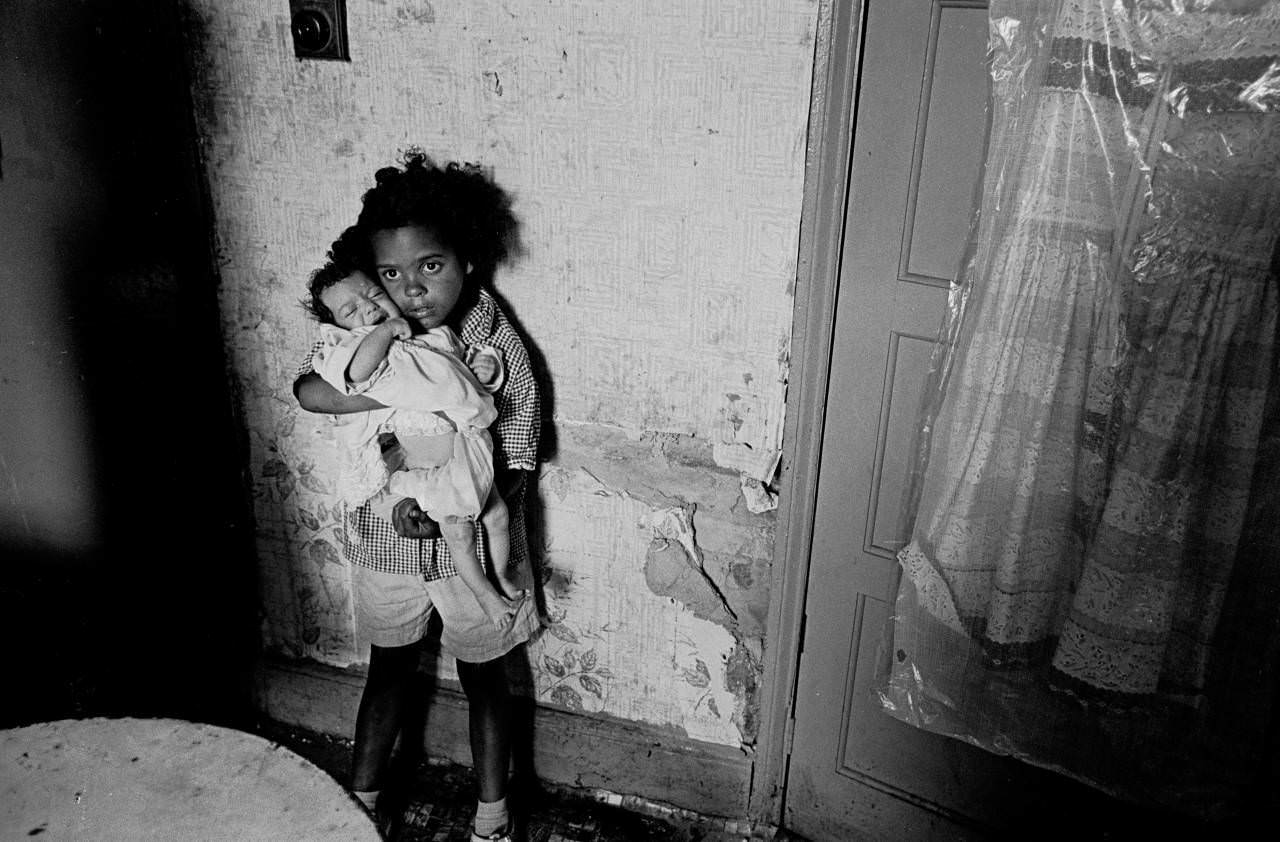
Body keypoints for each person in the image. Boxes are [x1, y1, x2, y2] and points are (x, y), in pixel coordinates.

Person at [294, 151, 541, 842]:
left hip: (472, 533)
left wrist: (452, 504)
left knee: (488, 673)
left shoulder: (491, 338)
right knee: (389, 667)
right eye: (392, 275)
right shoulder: (362, 330)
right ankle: (361, 800)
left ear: (465, 257)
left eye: (430, 266)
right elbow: (310, 391)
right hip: (387, 538)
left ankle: (493, 814)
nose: (412, 290)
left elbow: (518, 450)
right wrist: (394, 408)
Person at [303, 260, 524, 629]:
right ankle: (486, 597)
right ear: (337, 326)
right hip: (428, 469)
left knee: (497, 516)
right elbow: (356, 374)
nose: (369, 308)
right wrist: (386, 330)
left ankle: (501, 577)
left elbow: (465, 363)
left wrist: (485, 365)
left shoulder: (434, 336)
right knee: (459, 531)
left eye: (374, 295)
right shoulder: (359, 346)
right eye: (351, 310)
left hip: (468, 448)